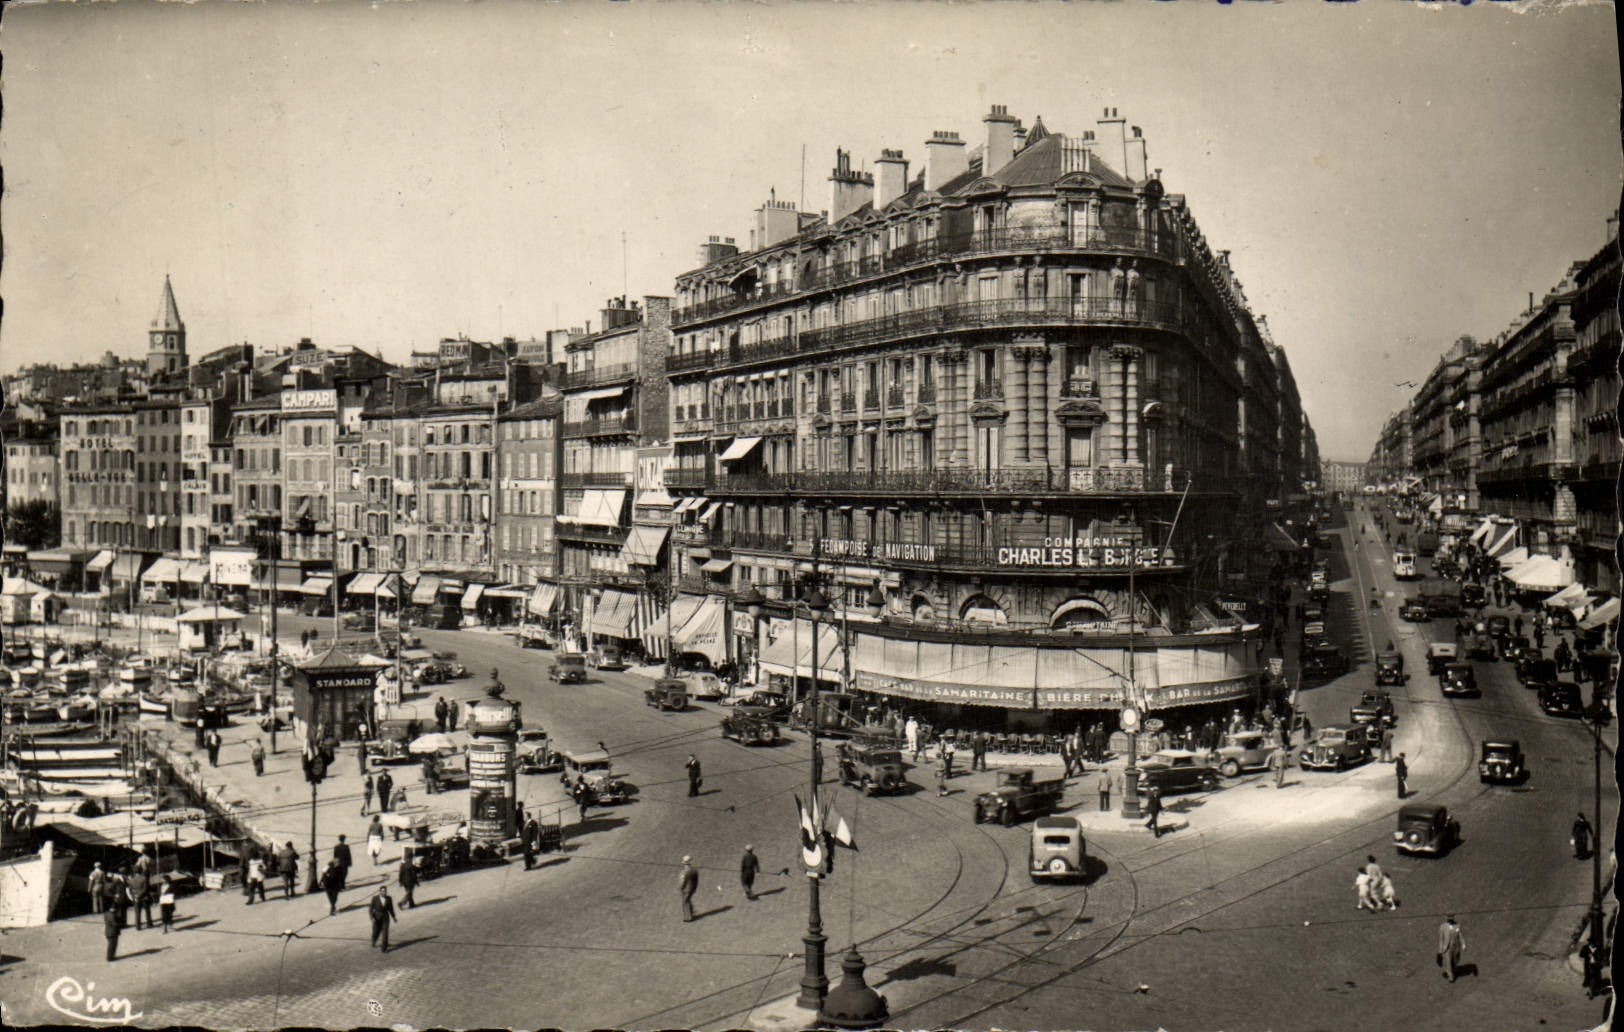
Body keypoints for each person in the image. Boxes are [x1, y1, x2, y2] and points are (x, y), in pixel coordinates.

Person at [369, 885, 398, 952]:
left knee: (385, 932)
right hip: (377, 917)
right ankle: (374, 941)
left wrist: (394, 917)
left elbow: (391, 909)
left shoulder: (389, 898)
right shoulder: (375, 898)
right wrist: (372, 918)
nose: (384, 893)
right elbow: (370, 909)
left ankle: (384, 948)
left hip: (385, 917)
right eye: (382, 891)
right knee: (376, 931)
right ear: (379, 892)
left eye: (385, 891)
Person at [1437, 914, 1465, 982]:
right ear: (1446, 918)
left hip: (1455, 947)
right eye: (1449, 918)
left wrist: (1463, 944)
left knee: (1455, 960)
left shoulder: (1457, 925)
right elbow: (1441, 939)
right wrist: (1440, 950)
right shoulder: (1443, 927)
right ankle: (1451, 977)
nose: (1450, 919)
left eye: (1451, 918)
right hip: (1447, 948)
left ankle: (1454, 969)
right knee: (1448, 962)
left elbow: (1460, 936)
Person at [126, 865, 152, 931]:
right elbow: (145, 889)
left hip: (136, 898)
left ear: (134, 872)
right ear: (140, 871)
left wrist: (134, 896)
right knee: (147, 911)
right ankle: (149, 924)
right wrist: (140, 895)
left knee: (137, 912)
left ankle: (138, 926)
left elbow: (130, 890)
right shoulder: (144, 878)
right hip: (144, 897)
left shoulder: (131, 880)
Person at [679, 856, 699, 921]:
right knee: (688, 900)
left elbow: (682, 882)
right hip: (692, 888)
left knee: (685, 902)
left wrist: (680, 888)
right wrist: (695, 888)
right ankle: (691, 912)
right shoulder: (694, 870)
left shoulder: (684, 871)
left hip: (686, 889)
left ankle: (688, 917)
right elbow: (696, 880)